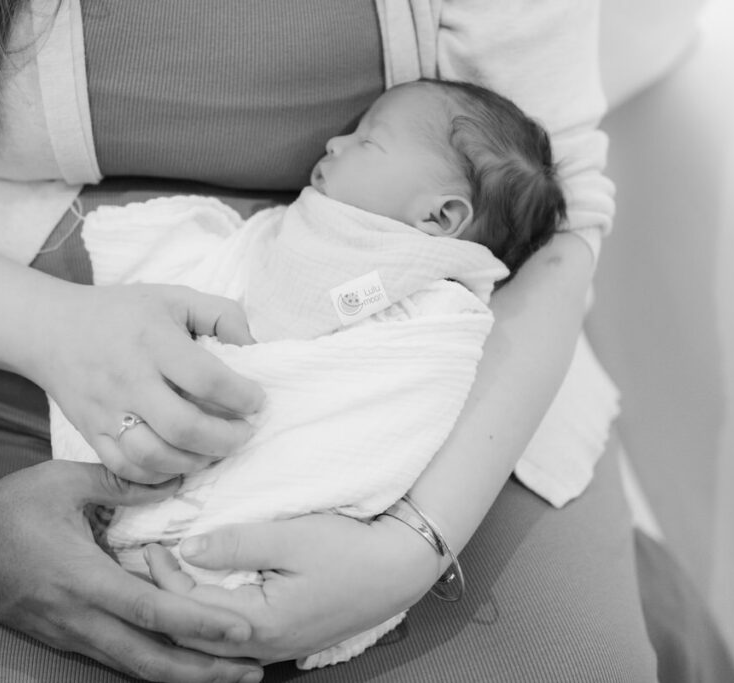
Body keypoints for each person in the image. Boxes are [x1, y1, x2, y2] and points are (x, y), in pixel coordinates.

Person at [0, 2, 657, 683]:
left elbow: (559, 219)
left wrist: (409, 542)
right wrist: (53, 327)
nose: (336, 148)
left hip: (447, 405)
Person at [49, 78, 562, 668]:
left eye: (369, 142)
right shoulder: (325, 236)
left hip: (295, 493)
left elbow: (307, 326)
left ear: (441, 216)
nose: (336, 143)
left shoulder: (429, 305)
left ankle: (208, 535)